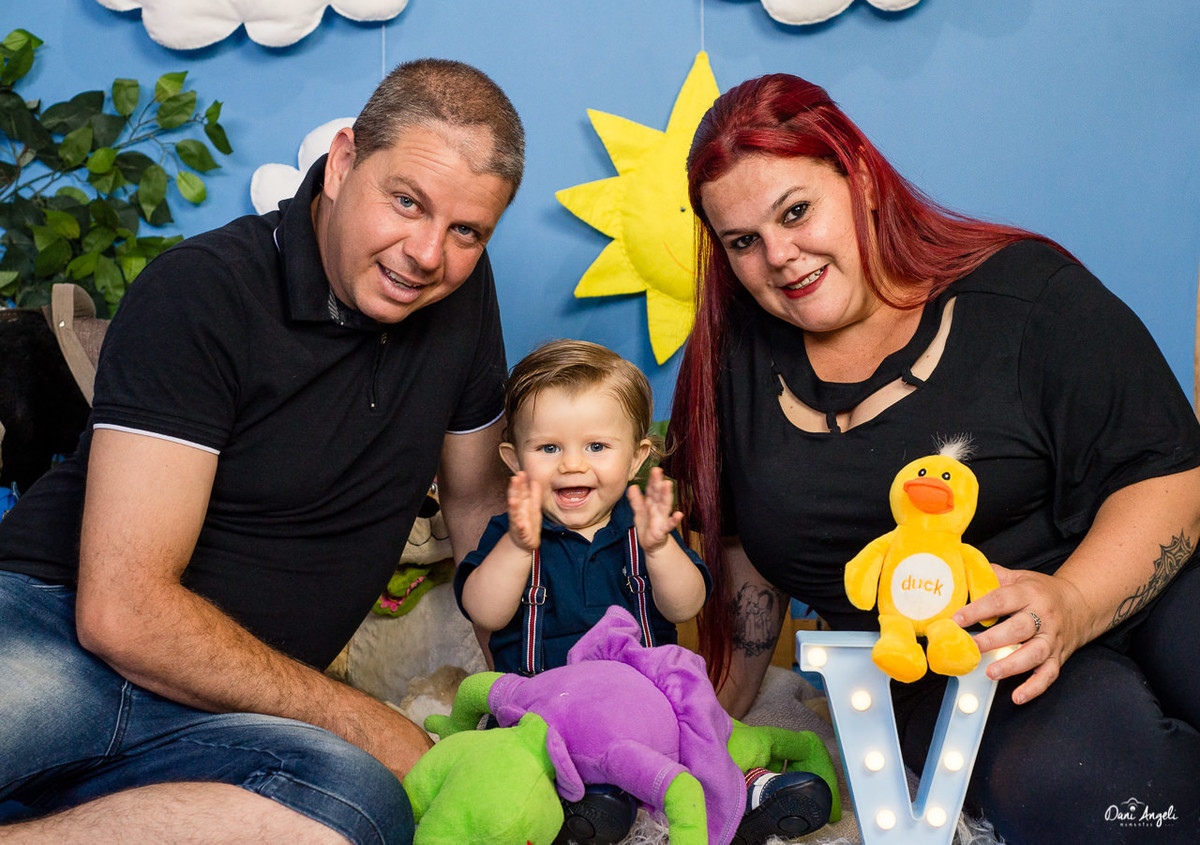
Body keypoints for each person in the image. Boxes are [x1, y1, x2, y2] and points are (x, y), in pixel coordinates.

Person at [0, 57, 523, 844]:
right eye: (406, 201)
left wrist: (536, 708)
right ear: (343, 163)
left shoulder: (461, 296)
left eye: (466, 231)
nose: (426, 253)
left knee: (361, 808)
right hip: (53, 633)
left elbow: (479, 505)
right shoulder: (202, 289)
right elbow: (123, 612)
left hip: (229, 711)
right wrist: (363, 719)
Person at [667, 72, 1200, 843]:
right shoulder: (729, 366)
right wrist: (708, 720)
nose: (779, 255)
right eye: (743, 241)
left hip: (1133, 583)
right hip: (956, 668)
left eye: (796, 211)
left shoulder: (1027, 294)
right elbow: (748, 559)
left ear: (859, 176)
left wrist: (1074, 601)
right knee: (1095, 788)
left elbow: (1170, 471)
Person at [457, 339, 833, 845]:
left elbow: (687, 605)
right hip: (548, 711)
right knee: (510, 769)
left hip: (646, 709)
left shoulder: (644, 529)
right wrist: (517, 548)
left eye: (596, 447)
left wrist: (659, 550)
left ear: (637, 457)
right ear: (514, 459)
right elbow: (484, 611)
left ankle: (746, 794)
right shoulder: (512, 532)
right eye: (548, 448)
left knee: (700, 730)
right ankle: (583, 805)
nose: (572, 465)